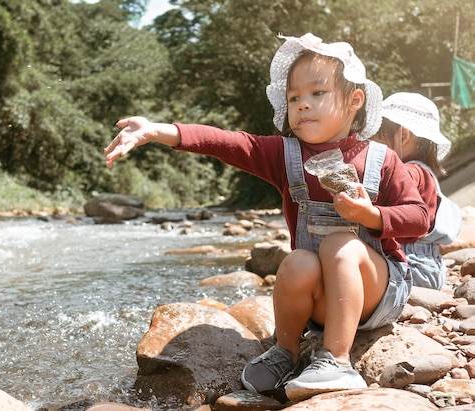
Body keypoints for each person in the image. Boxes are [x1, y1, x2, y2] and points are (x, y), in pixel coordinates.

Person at [104, 33, 428, 402]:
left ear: (355, 101)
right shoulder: (284, 154)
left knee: (341, 244)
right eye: (294, 98)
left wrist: (372, 214)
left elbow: (419, 218)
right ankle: (286, 351)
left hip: (376, 293)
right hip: (322, 302)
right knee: (297, 262)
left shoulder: (380, 159)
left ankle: (337, 360)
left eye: (317, 93)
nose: (303, 105)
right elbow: (226, 143)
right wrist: (158, 131)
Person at [373, 92, 462, 290]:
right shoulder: (423, 171)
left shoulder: (409, 173)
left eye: (375, 139)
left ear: (403, 136)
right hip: (427, 265)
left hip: (412, 264)